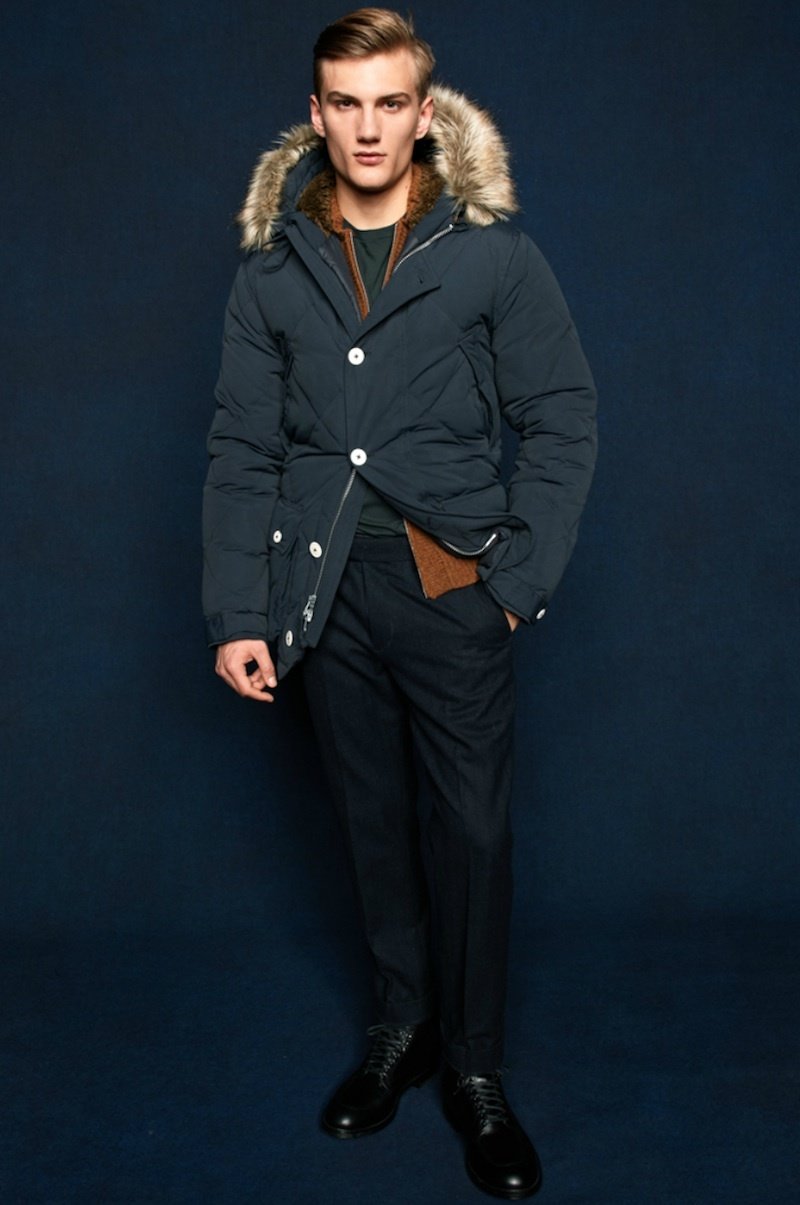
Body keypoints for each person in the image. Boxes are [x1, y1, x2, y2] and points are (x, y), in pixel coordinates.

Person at [203, 8, 596, 1198]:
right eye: (345, 102)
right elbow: (241, 447)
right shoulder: (274, 271)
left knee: (469, 831)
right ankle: (399, 1026)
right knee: (369, 820)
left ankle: (472, 1067)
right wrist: (237, 610)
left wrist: (514, 583)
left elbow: (561, 417)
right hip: (321, 589)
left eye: (388, 103)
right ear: (315, 114)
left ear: (424, 114)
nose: (367, 127)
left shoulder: (491, 256)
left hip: (450, 585)